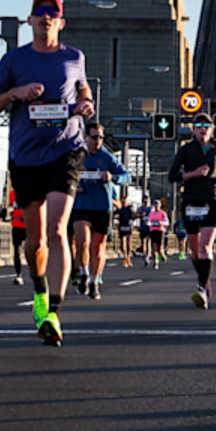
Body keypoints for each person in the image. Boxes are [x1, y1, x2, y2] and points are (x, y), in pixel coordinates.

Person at [0, 0, 94, 346]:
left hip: (66, 150)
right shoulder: (13, 59)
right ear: (29, 21)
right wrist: (15, 93)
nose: (46, 18)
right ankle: (39, 291)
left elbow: (83, 86)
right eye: (39, 13)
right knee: (34, 242)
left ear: (60, 22)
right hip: (25, 156)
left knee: (57, 229)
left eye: (53, 14)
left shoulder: (74, 56)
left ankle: (55, 311)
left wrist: (86, 103)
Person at [168, 113, 216, 309]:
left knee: (205, 247)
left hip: (212, 200)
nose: (203, 129)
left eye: (206, 126)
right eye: (199, 126)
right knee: (195, 252)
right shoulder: (186, 150)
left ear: (212, 129)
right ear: (193, 129)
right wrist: (193, 174)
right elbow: (172, 176)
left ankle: (202, 289)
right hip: (190, 201)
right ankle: (205, 279)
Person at [70, 123, 129, 299]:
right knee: (83, 242)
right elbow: (64, 173)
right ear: (86, 136)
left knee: (98, 247)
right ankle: (83, 272)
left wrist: (112, 177)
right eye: (95, 137)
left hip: (102, 206)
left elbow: (126, 175)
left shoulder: (108, 158)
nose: (98, 141)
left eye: (101, 138)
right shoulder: (78, 155)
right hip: (81, 205)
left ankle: (94, 281)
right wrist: (75, 185)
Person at [9, 189, 27, 285]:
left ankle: (37, 273)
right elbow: (12, 206)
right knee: (17, 250)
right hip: (16, 224)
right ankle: (18, 274)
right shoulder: (12, 193)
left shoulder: (30, 191)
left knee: (31, 250)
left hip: (29, 225)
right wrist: (6, 210)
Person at [147, 201, 169, 268]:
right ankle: (156, 262)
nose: (156, 206)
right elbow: (148, 221)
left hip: (160, 231)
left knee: (159, 248)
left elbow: (167, 222)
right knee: (154, 247)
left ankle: (162, 255)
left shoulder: (162, 213)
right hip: (153, 231)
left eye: (157, 204)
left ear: (160, 205)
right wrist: (149, 224)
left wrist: (161, 223)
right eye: (155, 204)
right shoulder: (151, 213)